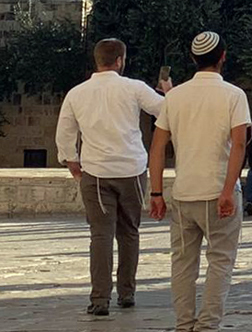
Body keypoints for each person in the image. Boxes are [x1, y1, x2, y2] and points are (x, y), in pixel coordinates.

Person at [147, 31, 250, 332]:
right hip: (218, 189)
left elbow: (157, 147)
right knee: (220, 262)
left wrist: (156, 193)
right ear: (223, 56)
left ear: (193, 59)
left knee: (182, 265)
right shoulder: (234, 95)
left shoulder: (175, 98)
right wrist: (228, 189)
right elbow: (239, 144)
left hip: (184, 192)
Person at [55, 38, 169, 317]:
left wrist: (71, 160)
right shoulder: (134, 88)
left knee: (100, 235)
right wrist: (169, 92)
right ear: (120, 61)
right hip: (131, 170)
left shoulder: (77, 93)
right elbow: (164, 110)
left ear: (97, 60)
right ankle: (127, 293)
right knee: (129, 232)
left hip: (95, 172)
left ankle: (100, 298)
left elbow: (65, 131)